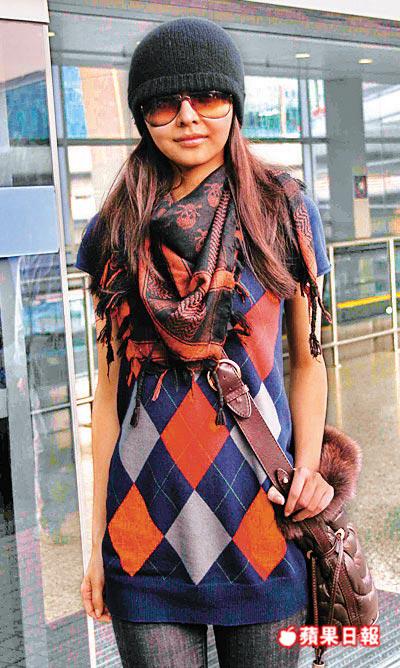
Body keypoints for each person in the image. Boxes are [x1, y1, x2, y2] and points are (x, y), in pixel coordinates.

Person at [77, 16, 334, 668]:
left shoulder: (283, 211)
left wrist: (307, 468)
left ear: (235, 104)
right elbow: (108, 396)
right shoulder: (115, 228)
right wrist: (96, 543)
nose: (188, 116)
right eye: (165, 102)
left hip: (260, 521)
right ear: (142, 116)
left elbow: (308, 363)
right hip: (141, 531)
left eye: (209, 97)